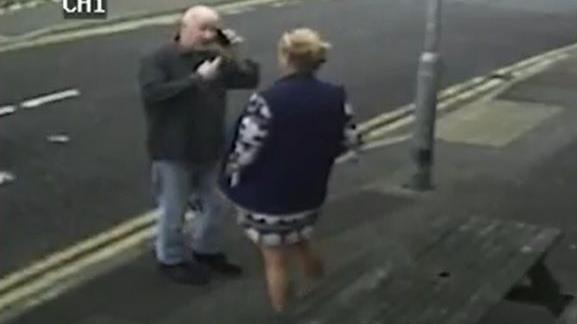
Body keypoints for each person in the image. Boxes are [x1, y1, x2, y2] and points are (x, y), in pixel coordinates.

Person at [220, 28, 360, 311]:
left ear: (285, 58)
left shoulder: (268, 101)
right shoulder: (335, 96)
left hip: (268, 198)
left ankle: (285, 314)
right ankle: (324, 295)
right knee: (302, 240)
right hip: (309, 192)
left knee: (275, 260)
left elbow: (246, 150)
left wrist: (230, 176)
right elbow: (350, 141)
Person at [138, 5, 260, 285]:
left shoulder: (216, 57)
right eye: (202, 29)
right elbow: (153, 94)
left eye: (212, 30)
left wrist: (235, 53)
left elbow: (249, 79)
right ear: (184, 28)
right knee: (174, 210)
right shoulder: (159, 59)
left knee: (216, 205)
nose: (207, 36)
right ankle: (171, 259)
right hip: (174, 149)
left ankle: (206, 251)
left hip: (209, 146)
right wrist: (196, 80)